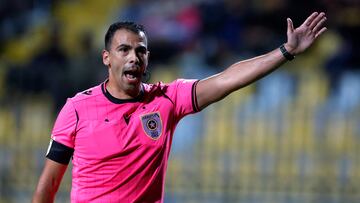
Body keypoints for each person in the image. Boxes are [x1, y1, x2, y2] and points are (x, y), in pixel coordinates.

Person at [32, 12, 327, 203]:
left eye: (141, 50)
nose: (134, 57)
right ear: (107, 58)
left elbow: (226, 80)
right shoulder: (76, 109)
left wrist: (285, 51)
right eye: (124, 50)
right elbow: (48, 187)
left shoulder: (166, 100)